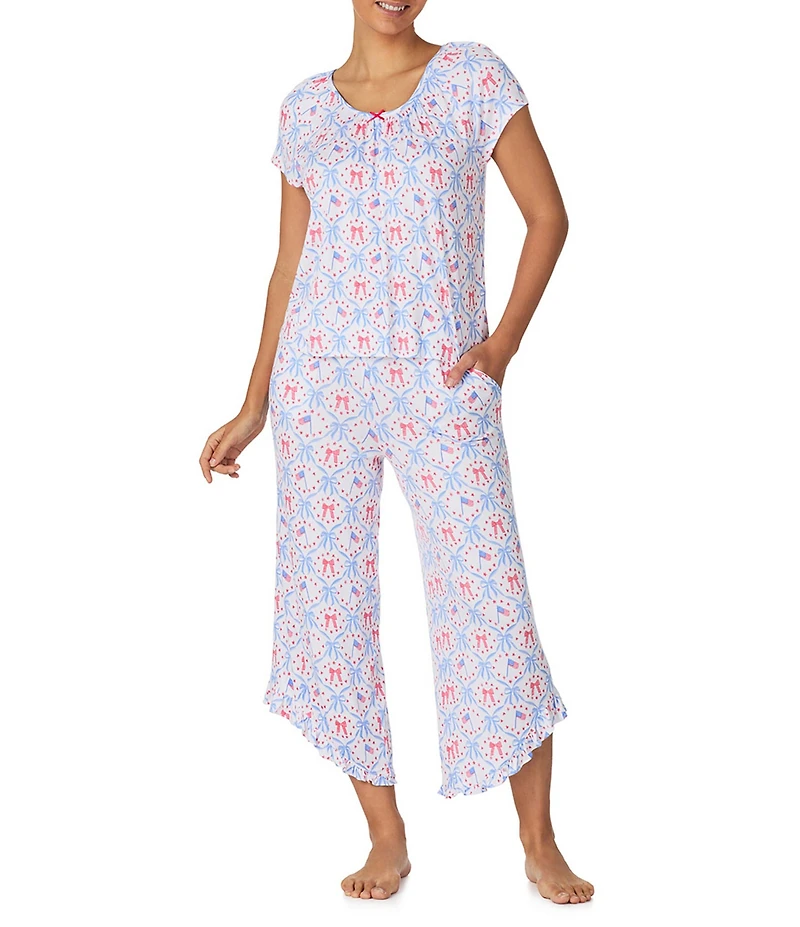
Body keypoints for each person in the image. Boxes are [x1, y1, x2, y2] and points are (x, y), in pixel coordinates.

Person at [199, 0, 593, 906]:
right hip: (318, 387)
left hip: (442, 380)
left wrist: (502, 346)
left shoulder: (473, 78)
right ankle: (385, 832)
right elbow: (288, 267)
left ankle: (539, 839)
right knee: (328, 602)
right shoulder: (304, 109)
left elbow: (548, 217)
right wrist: (255, 401)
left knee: (489, 592)